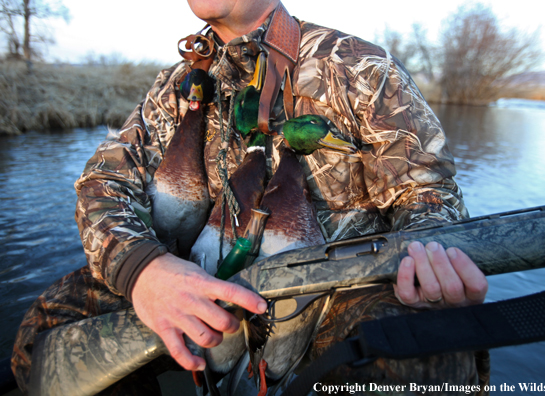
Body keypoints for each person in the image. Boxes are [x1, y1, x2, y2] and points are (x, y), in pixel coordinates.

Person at [12, 0, 489, 394]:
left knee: (424, 349)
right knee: (51, 323)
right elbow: (103, 184)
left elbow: (427, 194)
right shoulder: (178, 86)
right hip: (197, 282)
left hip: (329, 297)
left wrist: (428, 260)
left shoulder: (356, 67)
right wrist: (145, 270)